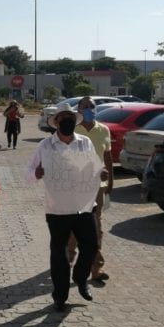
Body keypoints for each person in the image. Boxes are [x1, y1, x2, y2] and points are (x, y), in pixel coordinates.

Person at [27, 103, 108, 311]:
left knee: (90, 246)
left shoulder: (85, 143)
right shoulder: (46, 146)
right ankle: (60, 296)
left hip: (84, 206)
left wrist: (102, 172)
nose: (67, 121)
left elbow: (94, 166)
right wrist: (37, 173)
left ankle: (81, 278)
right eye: (63, 118)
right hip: (58, 210)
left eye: (70, 118)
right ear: (56, 122)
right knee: (59, 255)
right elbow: (29, 172)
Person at [67, 96, 113, 282]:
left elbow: (107, 156)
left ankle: (96, 268)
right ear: (78, 110)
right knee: (73, 226)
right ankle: (68, 259)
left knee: (96, 226)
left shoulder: (103, 130)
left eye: (91, 106)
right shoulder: (72, 129)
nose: (89, 109)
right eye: (84, 106)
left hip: (97, 187)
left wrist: (110, 181)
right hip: (75, 186)